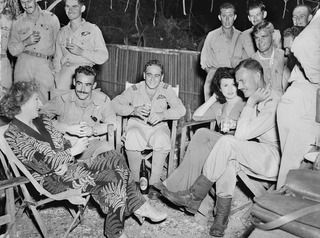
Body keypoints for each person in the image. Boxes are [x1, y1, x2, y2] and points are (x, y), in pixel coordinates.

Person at [0, 81, 167, 238]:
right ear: (23, 103)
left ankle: (132, 211)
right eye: (36, 99)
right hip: (51, 180)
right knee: (112, 175)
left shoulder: (42, 121)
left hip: (69, 168)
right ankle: (127, 217)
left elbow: (62, 142)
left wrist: (66, 154)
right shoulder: (14, 134)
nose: (40, 103)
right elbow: (42, 164)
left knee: (115, 156)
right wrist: (70, 153)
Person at [159, 58, 281, 237]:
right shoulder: (260, 95)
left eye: (241, 81)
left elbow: (240, 136)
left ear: (257, 75)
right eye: (235, 82)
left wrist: (249, 104)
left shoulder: (272, 99)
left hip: (273, 158)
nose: (239, 87)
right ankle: (220, 219)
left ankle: (194, 196)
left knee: (227, 144)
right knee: (227, 158)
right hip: (258, 152)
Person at [162, 67, 245, 218]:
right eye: (225, 85)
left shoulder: (244, 103)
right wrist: (214, 98)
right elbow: (197, 116)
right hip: (219, 146)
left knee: (201, 133)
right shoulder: (221, 105)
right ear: (219, 88)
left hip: (236, 146)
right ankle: (189, 196)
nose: (230, 89)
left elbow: (249, 130)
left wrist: (237, 125)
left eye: (233, 84)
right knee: (199, 149)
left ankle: (175, 187)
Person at [112, 59, 186, 199]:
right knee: (132, 135)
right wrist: (133, 110)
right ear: (144, 75)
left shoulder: (166, 89)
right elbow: (114, 104)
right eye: (149, 75)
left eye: (157, 75)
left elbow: (181, 110)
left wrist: (163, 114)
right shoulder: (134, 89)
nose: (152, 79)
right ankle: (134, 181)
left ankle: (154, 183)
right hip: (137, 125)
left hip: (158, 127)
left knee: (162, 138)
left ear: (162, 77)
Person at [276, 8, 320, 188]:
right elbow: (302, 45)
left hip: (300, 98)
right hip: (305, 99)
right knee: (293, 169)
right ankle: (278, 210)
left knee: (294, 165)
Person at [41, 65, 116, 154]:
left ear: (94, 85)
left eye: (87, 85)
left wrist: (93, 130)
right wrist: (67, 128)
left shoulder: (103, 100)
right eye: (79, 83)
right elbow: (40, 117)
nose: (82, 89)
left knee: (110, 154)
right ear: (74, 82)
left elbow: (113, 124)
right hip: (65, 146)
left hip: (91, 145)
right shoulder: (62, 99)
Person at [8, 0, 60, 102]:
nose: (26, 5)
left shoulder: (52, 19)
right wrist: (25, 42)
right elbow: (12, 50)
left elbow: (58, 47)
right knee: (21, 102)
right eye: (23, 2)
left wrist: (56, 69)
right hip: (24, 65)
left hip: (44, 65)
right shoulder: (17, 22)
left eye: (29, 1)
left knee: (45, 103)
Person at [53, 0, 108, 90]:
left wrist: (81, 52)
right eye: (67, 6)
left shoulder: (92, 29)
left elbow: (103, 56)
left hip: (83, 80)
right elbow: (57, 60)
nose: (70, 10)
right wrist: (56, 78)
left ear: (82, 8)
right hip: (63, 80)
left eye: (74, 6)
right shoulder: (62, 32)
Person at [200, 2, 241, 101]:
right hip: (216, 82)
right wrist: (216, 80)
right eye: (224, 16)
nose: (227, 19)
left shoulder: (242, 36)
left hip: (235, 83)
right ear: (219, 17)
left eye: (230, 15)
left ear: (235, 17)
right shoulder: (212, 36)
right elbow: (204, 62)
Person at [232, 1, 282, 66]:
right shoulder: (243, 36)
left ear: (264, 14)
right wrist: (249, 65)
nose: (255, 19)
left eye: (258, 15)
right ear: (249, 18)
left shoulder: (275, 34)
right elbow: (234, 60)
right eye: (252, 16)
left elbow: (280, 59)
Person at [251, 21, 289, 93]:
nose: (260, 41)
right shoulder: (252, 62)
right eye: (256, 38)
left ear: (272, 36)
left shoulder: (283, 56)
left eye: (263, 36)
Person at [0, 0, 20, 98]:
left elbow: (15, 47)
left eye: (1, 2)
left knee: (5, 99)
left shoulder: (10, 19)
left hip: (3, 62)